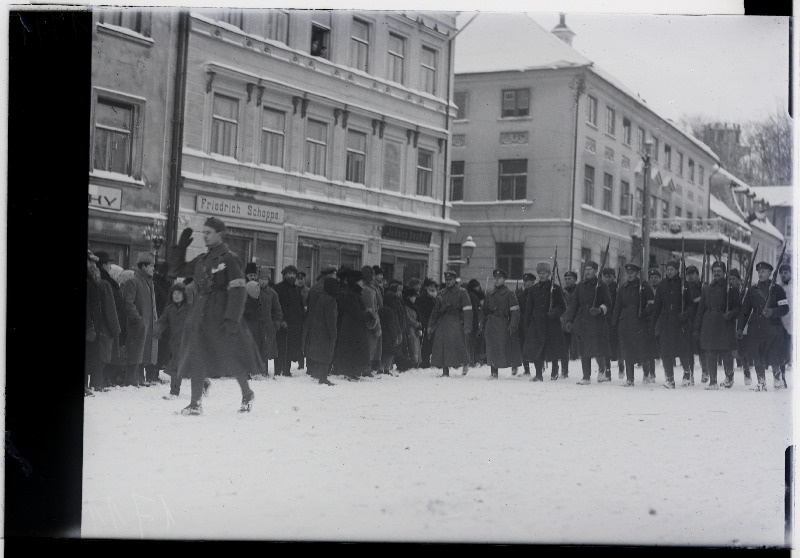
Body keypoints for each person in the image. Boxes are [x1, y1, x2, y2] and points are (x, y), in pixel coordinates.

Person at [167, 219, 259, 414]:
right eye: (204, 232)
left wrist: (231, 319)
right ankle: (195, 403)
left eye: (209, 232)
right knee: (196, 355)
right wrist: (181, 247)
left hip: (221, 313)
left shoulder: (229, 259)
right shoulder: (202, 260)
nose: (205, 235)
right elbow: (176, 270)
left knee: (230, 356)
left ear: (220, 234)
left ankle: (247, 393)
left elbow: (238, 290)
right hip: (200, 313)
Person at [738, 261, 790, 390]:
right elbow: (745, 311)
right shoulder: (752, 290)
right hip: (756, 327)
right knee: (757, 354)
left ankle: (777, 379)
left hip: (773, 327)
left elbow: (785, 308)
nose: (761, 274)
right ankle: (761, 382)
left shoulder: (778, 289)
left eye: (763, 271)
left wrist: (772, 312)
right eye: (759, 272)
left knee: (774, 354)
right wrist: (740, 327)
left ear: (770, 273)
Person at [561, 261, 612, 385]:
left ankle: (601, 370)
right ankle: (586, 376)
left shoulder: (602, 286)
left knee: (597, 348)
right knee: (584, 349)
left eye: (590, 269)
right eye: (586, 269)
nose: (587, 272)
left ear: (596, 271)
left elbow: (608, 304)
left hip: (597, 321)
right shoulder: (580, 286)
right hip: (583, 321)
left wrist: (600, 309)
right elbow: (574, 305)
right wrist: (569, 320)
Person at [154, 282, 206, 399]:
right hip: (176, 343)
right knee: (176, 366)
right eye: (174, 293)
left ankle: (204, 384)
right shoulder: (169, 309)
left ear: (184, 295)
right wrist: (157, 330)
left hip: (189, 342)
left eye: (179, 293)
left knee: (192, 367)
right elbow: (162, 321)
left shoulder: (190, 308)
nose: (176, 296)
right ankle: (174, 391)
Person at [694, 261, 740, 390]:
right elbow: (700, 309)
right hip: (709, 322)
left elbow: (738, 307)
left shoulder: (730, 288)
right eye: (714, 271)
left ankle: (729, 378)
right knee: (711, 352)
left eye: (719, 271)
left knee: (726, 352)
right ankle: (713, 382)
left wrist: (730, 313)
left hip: (725, 322)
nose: (716, 273)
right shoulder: (707, 288)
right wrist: (697, 328)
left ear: (724, 272)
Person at [649, 260, 694, 388]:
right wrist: (653, 323)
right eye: (667, 269)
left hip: (680, 321)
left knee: (682, 350)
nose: (669, 271)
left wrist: (685, 314)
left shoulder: (684, 284)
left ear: (677, 270)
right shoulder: (662, 285)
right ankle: (669, 378)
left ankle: (687, 374)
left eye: (672, 269)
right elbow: (657, 306)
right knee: (666, 351)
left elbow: (690, 304)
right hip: (666, 322)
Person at [611, 263, 656, 386]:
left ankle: (646, 374)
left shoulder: (644, 287)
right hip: (625, 323)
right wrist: (614, 323)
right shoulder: (623, 288)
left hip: (640, 323)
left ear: (637, 273)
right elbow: (617, 307)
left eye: (632, 273)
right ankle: (630, 379)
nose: (629, 275)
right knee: (627, 350)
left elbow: (652, 304)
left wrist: (645, 312)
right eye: (628, 273)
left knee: (642, 350)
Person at [522, 262, 566, 381]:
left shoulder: (555, 289)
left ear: (549, 274)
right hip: (537, 324)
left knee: (553, 348)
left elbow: (562, 306)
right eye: (540, 273)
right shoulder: (533, 289)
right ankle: (538, 375)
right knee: (537, 348)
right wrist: (526, 324)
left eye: (544, 273)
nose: (542, 275)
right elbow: (529, 308)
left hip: (552, 324)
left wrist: (554, 312)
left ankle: (554, 370)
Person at [122, 256, 159, 388]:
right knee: (135, 351)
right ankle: (131, 379)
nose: (153, 268)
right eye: (151, 265)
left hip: (148, 323)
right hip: (138, 323)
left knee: (144, 350)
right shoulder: (133, 281)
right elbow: (128, 302)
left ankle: (139, 377)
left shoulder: (149, 282)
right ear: (143, 266)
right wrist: (137, 318)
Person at [428, 270, 472, 377]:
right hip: (443, 322)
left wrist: (467, 325)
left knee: (458, 344)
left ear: (454, 280)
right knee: (442, 345)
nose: (448, 282)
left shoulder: (462, 292)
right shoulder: (441, 293)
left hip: (456, 321)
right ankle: (445, 370)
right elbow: (435, 311)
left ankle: (465, 362)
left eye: (450, 280)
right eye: (446, 280)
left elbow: (467, 310)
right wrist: (431, 325)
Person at [332, 269, 374, 380]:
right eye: (360, 281)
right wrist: (367, 314)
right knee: (353, 350)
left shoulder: (354, 293)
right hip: (352, 328)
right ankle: (350, 372)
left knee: (354, 350)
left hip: (353, 327)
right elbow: (356, 312)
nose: (362, 284)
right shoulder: (352, 295)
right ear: (355, 282)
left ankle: (353, 372)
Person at [482, 269, 522, 379]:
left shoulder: (509, 294)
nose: (496, 280)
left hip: (503, 323)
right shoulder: (489, 294)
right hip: (490, 323)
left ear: (504, 280)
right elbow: (484, 311)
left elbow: (515, 311)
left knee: (504, 347)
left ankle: (514, 365)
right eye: (495, 278)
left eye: (499, 278)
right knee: (491, 347)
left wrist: (513, 324)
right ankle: (494, 372)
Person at [303, 277, 339, 385]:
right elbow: (331, 319)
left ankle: (317, 373)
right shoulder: (331, 300)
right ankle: (323, 377)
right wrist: (334, 334)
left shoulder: (322, 297)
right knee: (326, 353)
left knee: (320, 353)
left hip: (318, 330)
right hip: (326, 331)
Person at [274, 265, 305, 377]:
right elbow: (276, 306)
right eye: (289, 273)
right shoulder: (278, 288)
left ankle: (287, 369)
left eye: (293, 274)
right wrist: (281, 320)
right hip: (282, 323)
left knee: (290, 347)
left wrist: (301, 318)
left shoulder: (296, 289)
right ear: (284, 275)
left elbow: (300, 306)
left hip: (295, 324)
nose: (291, 276)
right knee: (281, 346)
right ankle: (278, 370)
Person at [685, 265, 708, 384]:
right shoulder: (685, 287)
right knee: (689, 349)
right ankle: (690, 374)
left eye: (692, 273)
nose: (690, 276)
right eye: (688, 274)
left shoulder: (703, 287)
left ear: (697, 275)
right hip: (688, 320)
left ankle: (705, 371)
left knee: (701, 348)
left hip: (700, 320)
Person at [601, 267, 624, 381]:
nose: (608, 279)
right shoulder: (600, 288)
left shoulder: (618, 288)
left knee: (618, 345)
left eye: (610, 276)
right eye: (605, 276)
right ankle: (607, 371)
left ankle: (621, 367)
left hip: (616, 320)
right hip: (604, 320)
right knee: (606, 346)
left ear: (614, 277)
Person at [360, 265, 382, 376]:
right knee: (370, 346)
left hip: (367, 322)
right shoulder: (369, 291)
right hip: (371, 323)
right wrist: (377, 326)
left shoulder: (366, 289)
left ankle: (366, 368)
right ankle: (366, 369)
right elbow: (372, 309)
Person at [378, 287, 404, 376]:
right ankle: (386, 369)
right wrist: (395, 336)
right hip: (389, 336)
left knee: (382, 353)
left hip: (382, 335)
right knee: (389, 354)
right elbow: (392, 325)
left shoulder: (381, 309)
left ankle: (380, 369)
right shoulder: (390, 311)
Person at [516, 272, 536, 376]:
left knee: (535, 346)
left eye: (528, 281)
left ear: (533, 281)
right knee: (523, 346)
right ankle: (527, 370)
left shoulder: (536, 293)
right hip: (523, 323)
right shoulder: (520, 295)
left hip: (534, 322)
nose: (525, 283)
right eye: (524, 281)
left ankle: (539, 368)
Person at [560, 270, 578, 374]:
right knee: (564, 347)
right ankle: (564, 371)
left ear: (575, 280)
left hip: (577, 320)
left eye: (570, 279)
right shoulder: (563, 291)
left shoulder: (579, 290)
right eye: (566, 279)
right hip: (566, 321)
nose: (567, 281)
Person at [417, 278, 437, 368]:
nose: (433, 288)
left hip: (432, 323)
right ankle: (424, 362)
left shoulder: (434, 297)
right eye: (430, 286)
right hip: (425, 322)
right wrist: (423, 321)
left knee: (430, 343)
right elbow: (419, 311)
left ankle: (427, 361)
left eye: (433, 286)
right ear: (426, 287)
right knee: (425, 343)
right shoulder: (422, 298)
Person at [465, 279, 485, 367]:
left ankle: (471, 360)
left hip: (467, 322)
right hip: (473, 322)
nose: (479, 288)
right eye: (477, 286)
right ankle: (472, 361)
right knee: (473, 343)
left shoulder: (468, 295)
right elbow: (476, 312)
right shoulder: (474, 297)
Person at [779, 262, 792, 374]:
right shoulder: (779, 288)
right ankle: (784, 362)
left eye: (786, 273)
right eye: (781, 273)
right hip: (782, 320)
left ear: (790, 274)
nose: (783, 275)